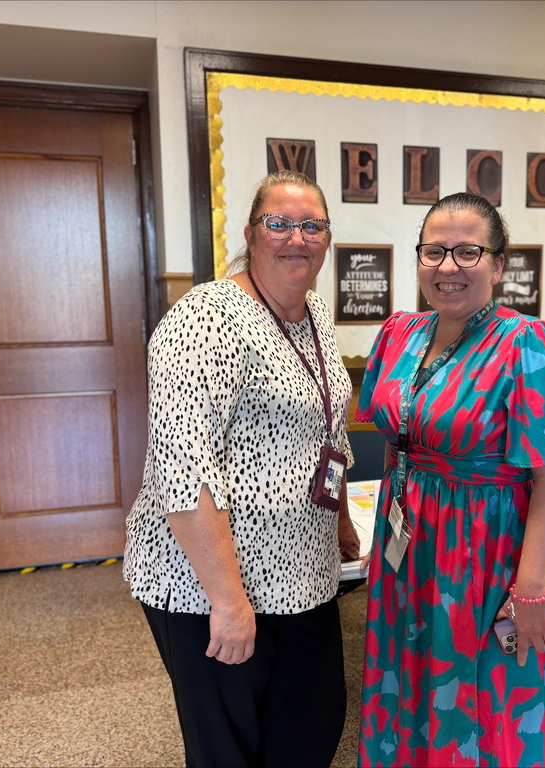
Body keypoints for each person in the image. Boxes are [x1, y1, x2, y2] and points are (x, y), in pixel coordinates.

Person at [355, 192, 545, 767]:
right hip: (411, 552)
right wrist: (385, 541)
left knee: (492, 700)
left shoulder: (530, 345)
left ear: (498, 264)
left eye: (468, 252)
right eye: (434, 251)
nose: (448, 267)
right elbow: (397, 445)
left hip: (493, 555)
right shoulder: (399, 334)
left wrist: (531, 589)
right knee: (414, 681)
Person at [123, 170, 361, 768]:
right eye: (279, 223)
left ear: (327, 239)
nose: (296, 238)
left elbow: (325, 428)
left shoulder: (313, 315)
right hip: (209, 586)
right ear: (252, 234)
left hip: (303, 575)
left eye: (312, 225)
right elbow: (183, 472)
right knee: (230, 750)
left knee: (313, 724)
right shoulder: (205, 319)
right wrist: (228, 603)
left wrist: (338, 523)